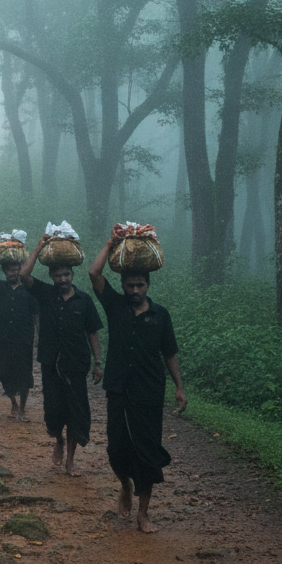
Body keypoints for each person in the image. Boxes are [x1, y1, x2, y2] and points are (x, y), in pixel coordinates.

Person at [88, 224, 187, 533]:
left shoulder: (161, 315)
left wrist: (180, 388)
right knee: (116, 450)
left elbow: (169, 353)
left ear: (148, 284)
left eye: (139, 286)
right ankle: (124, 485)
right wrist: (111, 242)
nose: (134, 291)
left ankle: (144, 514)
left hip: (149, 393)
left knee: (147, 454)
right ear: (123, 284)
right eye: (129, 286)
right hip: (118, 389)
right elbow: (93, 274)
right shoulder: (114, 305)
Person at [20, 236, 103, 474]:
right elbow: (25, 275)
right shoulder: (46, 294)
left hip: (76, 365)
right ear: (51, 277)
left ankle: (71, 460)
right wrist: (38, 246)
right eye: (58, 275)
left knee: (75, 414)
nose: (63, 279)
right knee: (54, 411)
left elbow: (92, 332)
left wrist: (98, 363)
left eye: (66, 275)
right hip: (50, 364)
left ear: (72, 275)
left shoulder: (84, 300)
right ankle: (58, 439)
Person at [0, 255, 38, 420]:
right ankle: (13, 402)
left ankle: (22, 407)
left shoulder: (29, 290)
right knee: (3, 371)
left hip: (24, 338)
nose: (14, 273)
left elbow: (37, 314)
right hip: (4, 337)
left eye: (17, 269)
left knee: (24, 373)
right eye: (10, 270)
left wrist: (38, 335)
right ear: (4, 271)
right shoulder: (0, 287)